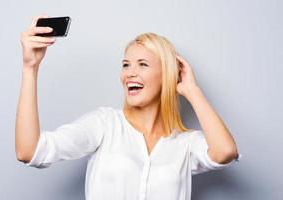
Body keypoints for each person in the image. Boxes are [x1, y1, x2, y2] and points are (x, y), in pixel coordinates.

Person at [15, 15, 242, 200]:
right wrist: (30, 68)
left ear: (168, 75)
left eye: (142, 64)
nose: (129, 73)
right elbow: (30, 151)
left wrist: (192, 91)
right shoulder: (104, 125)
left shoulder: (185, 144)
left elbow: (225, 152)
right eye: (126, 64)